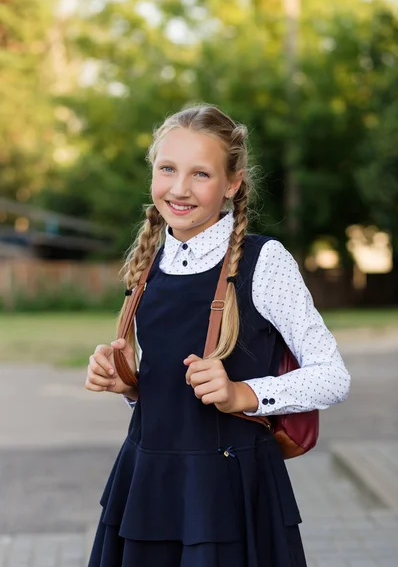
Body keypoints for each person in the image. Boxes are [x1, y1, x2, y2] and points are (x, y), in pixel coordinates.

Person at [85, 104, 351, 567]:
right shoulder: (149, 262)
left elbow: (333, 376)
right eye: (167, 168)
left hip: (229, 489)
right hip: (148, 481)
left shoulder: (264, 262)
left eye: (201, 174)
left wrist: (242, 393)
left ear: (232, 183)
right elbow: (165, 387)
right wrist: (129, 385)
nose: (180, 188)